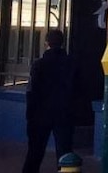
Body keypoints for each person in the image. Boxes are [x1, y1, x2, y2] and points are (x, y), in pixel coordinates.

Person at [22, 29, 77, 173]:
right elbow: (79, 90)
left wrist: (30, 115)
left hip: (41, 114)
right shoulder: (71, 64)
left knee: (35, 151)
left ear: (46, 43)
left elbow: (31, 91)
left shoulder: (39, 65)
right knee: (65, 153)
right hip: (64, 113)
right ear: (62, 43)